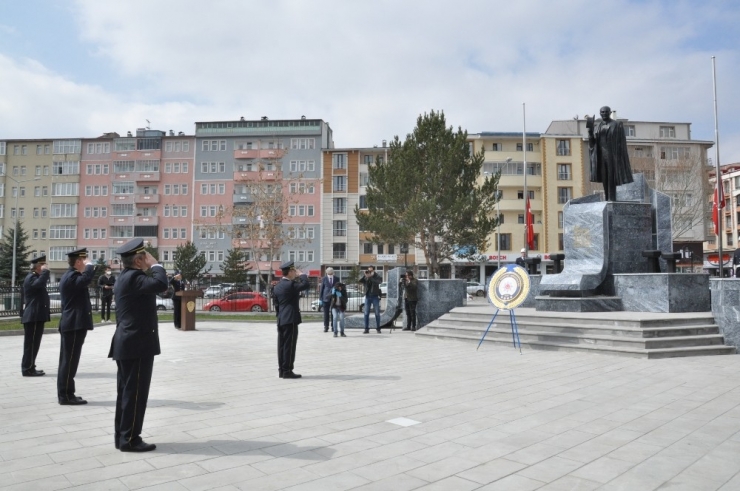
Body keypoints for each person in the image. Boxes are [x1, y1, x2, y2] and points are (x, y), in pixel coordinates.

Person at [109, 238, 168, 452]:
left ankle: (122, 436)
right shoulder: (135, 277)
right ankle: (131, 439)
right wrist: (157, 265)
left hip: (128, 343)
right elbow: (161, 284)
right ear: (139, 259)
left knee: (126, 393)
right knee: (135, 394)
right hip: (136, 344)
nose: (148, 261)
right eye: (145, 257)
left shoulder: (125, 277)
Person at [57, 248, 95, 405]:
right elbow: (85, 280)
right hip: (73, 325)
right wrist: (91, 266)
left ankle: (67, 393)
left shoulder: (71, 275)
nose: (85, 263)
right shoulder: (72, 277)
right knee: (69, 362)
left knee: (69, 361)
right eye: (84, 260)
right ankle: (65, 396)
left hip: (73, 324)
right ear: (78, 262)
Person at [272, 260, 310, 379]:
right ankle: (288, 370)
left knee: (281, 345)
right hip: (291, 319)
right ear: (290, 272)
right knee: (290, 345)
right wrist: (302, 274)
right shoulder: (290, 285)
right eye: (294, 271)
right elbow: (306, 285)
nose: (295, 273)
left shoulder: (277, 286)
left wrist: (280, 316)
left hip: (281, 318)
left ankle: (282, 370)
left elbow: (276, 304)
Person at [588, 105, 634, 202]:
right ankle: (607, 199)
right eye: (602, 112)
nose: (604, 113)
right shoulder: (597, 127)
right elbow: (592, 144)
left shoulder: (616, 125)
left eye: (606, 112)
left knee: (611, 178)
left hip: (612, 155)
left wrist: (620, 158)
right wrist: (590, 133)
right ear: (600, 113)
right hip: (601, 156)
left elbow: (621, 142)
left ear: (609, 113)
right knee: (604, 178)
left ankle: (612, 199)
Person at [21, 255, 50, 377]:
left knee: (34, 344)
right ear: (38, 267)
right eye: (42, 266)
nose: (44, 267)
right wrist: (46, 272)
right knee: (31, 344)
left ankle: (31, 366)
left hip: (37, 316)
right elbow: (38, 284)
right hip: (32, 316)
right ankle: (27, 369)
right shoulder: (31, 278)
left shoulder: (35, 277)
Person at [359, 265, 382, 334]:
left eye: (371, 270)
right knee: (366, 313)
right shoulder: (366, 277)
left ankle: (378, 328)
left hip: (375, 296)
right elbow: (360, 281)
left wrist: (371, 277)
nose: (369, 272)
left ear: (374, 270)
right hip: (368, 296)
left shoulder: (377, 276)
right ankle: (366, 328)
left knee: (377, 313)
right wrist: (364, 275)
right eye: (368, 270)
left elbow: (379, 282)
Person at [319, 267, 336, 332]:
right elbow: (322, 288)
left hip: (334, 298)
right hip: (325, 298)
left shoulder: (336, 278)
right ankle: (326, 327)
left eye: (331, 271)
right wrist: (320, 298)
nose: (329, 273)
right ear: (326, 272)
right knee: (326, 314)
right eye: (328, 272)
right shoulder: (324, 278)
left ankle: (333, 326)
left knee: (333, 313)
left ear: (332, 272)